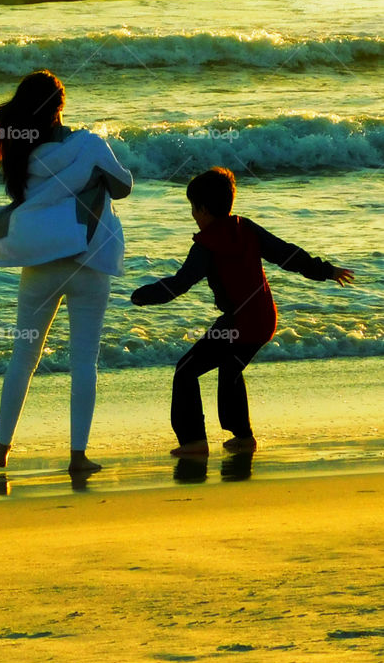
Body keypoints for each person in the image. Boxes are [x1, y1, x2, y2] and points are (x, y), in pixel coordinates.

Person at [0, 70, 132, 476]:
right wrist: (97, 175)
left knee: (24, 356)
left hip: (41, 264)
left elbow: (25, 201)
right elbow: (124, 186)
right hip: (88, 263)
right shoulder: (88, 145)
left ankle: (3, 446)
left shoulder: (22, 155)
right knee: (84, 361)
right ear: (60, 107)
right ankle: (78, 455)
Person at [131, 166, 354, 457]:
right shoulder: (245, 227)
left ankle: (193, 441)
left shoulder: (207, 245)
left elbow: (180, 284)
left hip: (239, 324)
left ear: (203, 209)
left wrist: (142, 296)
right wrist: (326, 270)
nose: (193, 216)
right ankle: (243, 437)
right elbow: (286, 254)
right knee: (230, 368)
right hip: (265, 319)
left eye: (193, 208)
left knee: (186, 371)